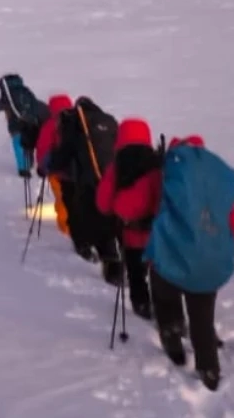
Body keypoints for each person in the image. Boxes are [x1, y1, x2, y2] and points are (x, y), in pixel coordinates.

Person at [144, 135, 234, 392]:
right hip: (209, 269)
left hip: (169, 264)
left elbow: (146, 211)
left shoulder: (166, 181)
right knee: (202, 319)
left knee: (166, 300)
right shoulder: (218, 192)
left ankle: (174, 345)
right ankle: (209, 370)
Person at [40, 96, 121, 284]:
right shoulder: (107, 121)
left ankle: (85, 245)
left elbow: (64, 152)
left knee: (80, 213)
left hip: (82, 179)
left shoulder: (74, 123)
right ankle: (114, 265)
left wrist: (48, 167)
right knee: (107, 218)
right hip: (109, 178)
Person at [95, 117, 159, 321]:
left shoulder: (117, 167)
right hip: (158, 234)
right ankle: (166, 310)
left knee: (135, 272)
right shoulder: (159, 165)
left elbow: (103, 204)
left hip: (130, 235)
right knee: (160, 273)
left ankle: (141, 304)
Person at [0, 74, 48, 178]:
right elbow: (41, 107)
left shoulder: (5, 100)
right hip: (33, 125)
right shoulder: (27, 94)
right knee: (29, 144)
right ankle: (31, 164)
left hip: (16, 128)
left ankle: (24, 170)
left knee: (19, 146)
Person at [35, 94, 73, 237]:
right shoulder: (79, 122)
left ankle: (65, 228)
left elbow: (43, 147)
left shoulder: (50, 125)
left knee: (62, 199)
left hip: (56, 171)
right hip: (77, 169)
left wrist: (41, 167)